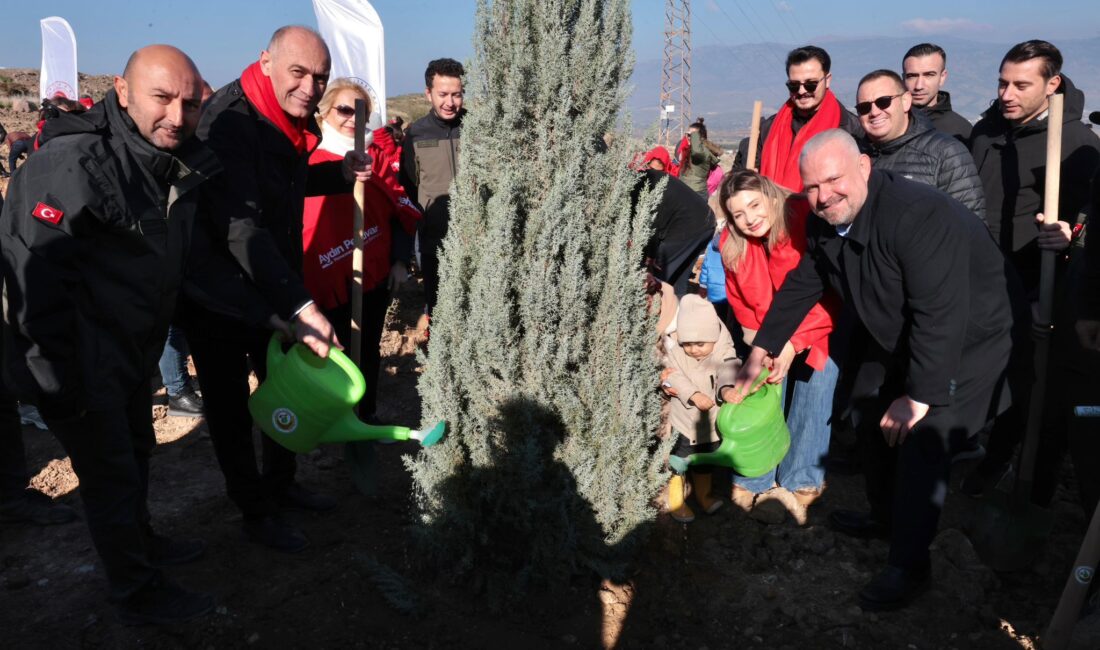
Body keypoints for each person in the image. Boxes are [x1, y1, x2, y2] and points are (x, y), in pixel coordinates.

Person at [0, 44, 250, 625]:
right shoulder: (75, 165)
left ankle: (142, 545)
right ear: (123, 90)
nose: (177, 115)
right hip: (81, 362)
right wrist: (55, 382)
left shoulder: (172, 161)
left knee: (137, 455)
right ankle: (137, 591)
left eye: (189, 103)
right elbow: (33, 280)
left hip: (132, 349)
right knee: (111, 474)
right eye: (162, 98)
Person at [733, 129, 1013, 610]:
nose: (822, 196)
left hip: (966, 342)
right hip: (901, 337)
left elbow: (940, 312)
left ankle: (909, 564)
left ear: (864, 167)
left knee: (924, 442)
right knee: (866, 412)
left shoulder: (915, 215)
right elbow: (805, 282)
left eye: (833, 180)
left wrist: (920, 396)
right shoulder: (827, 220)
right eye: (812, 187)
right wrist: (762, 350)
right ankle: (886, 518)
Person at [187, 26, 370, 554]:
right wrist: (302, 304)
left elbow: (280, 188)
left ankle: (282, 484)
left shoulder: (281, 118)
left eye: (320, 77)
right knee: (229, 406)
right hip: (217, 292)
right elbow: (240, 227)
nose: (311, 88)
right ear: (265, 61)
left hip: (271, 281)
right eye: (299, 73)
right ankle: (254, 509)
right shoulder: (227, 125)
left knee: (284, 384)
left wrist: (337, 174)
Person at [965, 40, 1100, 499]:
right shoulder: (987, 132)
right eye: (1003, 82)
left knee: (1036, 389)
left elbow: (1087, 228)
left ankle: (1030, 478)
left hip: (1039, 287)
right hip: (983, 280)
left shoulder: (1078, 145)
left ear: (1052, 84)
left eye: (1021, 85)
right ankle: (985, 453)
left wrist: (1070, 238)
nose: (1007, 93)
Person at [716, 169, 838, 523]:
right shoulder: (732, 243)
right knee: (760, 392)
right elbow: (739, 298)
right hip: (765, 335)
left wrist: (793, 342)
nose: (750, 219)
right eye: (739, 214)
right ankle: (756, 473)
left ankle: (802, 474)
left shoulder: (802, 221)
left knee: (814, 391)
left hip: (817, 326)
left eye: (755, 205)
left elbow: (828, 292)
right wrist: (759, 342)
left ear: (771, 197)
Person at [302, 79, 420, 418]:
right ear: (324, 112)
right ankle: (328, 416)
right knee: (328, 352)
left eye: (362, 112)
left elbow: (400, 209)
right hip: (321, 284)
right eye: (344, 109)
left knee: (367, 349)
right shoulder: (307, 161)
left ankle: (364, 416)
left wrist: (400, 260)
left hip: (373, 278)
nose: (354, 118)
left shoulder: (376, 159)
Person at [855, 69, 984, 219]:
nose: (874, 112)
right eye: (864, 107)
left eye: (884, 102)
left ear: (905, 101)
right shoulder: (854, 155)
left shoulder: (946, 154)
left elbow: (971, 226)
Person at [660, 294, 740, 522]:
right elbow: (673, 376)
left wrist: (726, 389)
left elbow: (729, 366)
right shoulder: (676, 351)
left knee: (704, 461)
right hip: (684, 422)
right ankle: (676, 500)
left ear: (713, 337)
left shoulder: (722, 348)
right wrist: (693, 394)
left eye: (700, 344)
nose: (693, 349)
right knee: (679, 462)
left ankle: (704, 496)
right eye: (687, 344)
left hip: (711, 423)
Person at [739, 45, 863, 191]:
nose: (802, 91)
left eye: (811, 84)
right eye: (794, 85)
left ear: (827, 80)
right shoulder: (768, 129)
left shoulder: (852, 130)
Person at [399, 58, 465, 326]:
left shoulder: (477, 127)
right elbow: (408, 184)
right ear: (428, 93)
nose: (450, 102)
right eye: (443, 94)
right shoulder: (415, 134)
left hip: (477, 237)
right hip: (433, 240)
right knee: (439, 308)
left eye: (457, 94)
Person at [636, 169, 716, 296]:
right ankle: (678, 310)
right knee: (678, 281)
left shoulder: (641, 187)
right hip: (705, 221)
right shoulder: (648, 177)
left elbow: (649, 225)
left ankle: (657, 311)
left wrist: (650, 257)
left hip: (688, 226)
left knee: (657, 278)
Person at [901, 43, 972, 144]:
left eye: (929, 75)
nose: (919, 86)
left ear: (942, 77)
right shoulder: (887, 124)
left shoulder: (961, 131)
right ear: (903, 78)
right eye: (912, 76)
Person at [679, 117, 721, 197]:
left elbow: (697, 151)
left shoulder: (703, 152)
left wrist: (694, 134)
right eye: (687, 134)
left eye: (691, 135)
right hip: (688, 190)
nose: (688, 137)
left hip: (696, 192)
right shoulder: (692, 150)